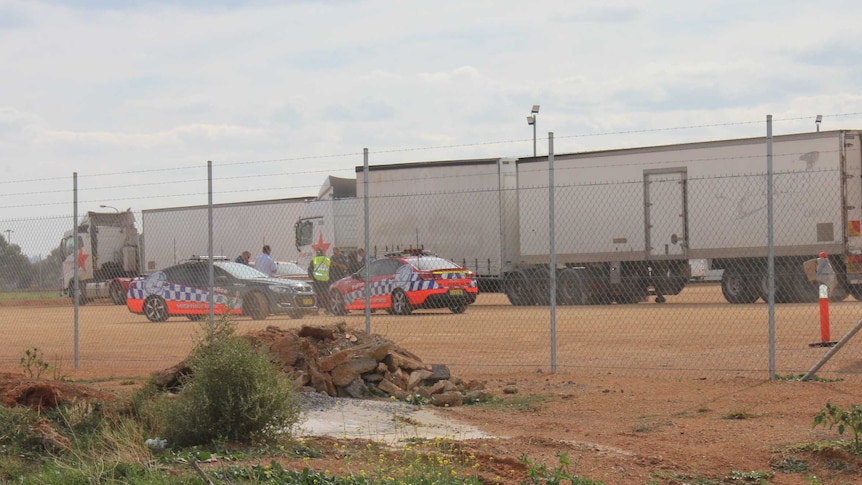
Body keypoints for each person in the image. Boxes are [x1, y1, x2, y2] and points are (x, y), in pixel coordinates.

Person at [308, 247, 331, 312]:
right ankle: (327, 309)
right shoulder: (327, 260)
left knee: (317, 295)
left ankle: (316, 310)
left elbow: (309, 270)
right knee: (325, 295)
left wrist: (311, 277)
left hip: (317, 280)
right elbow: (331, 269)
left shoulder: (314, 260)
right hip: (325, 280)